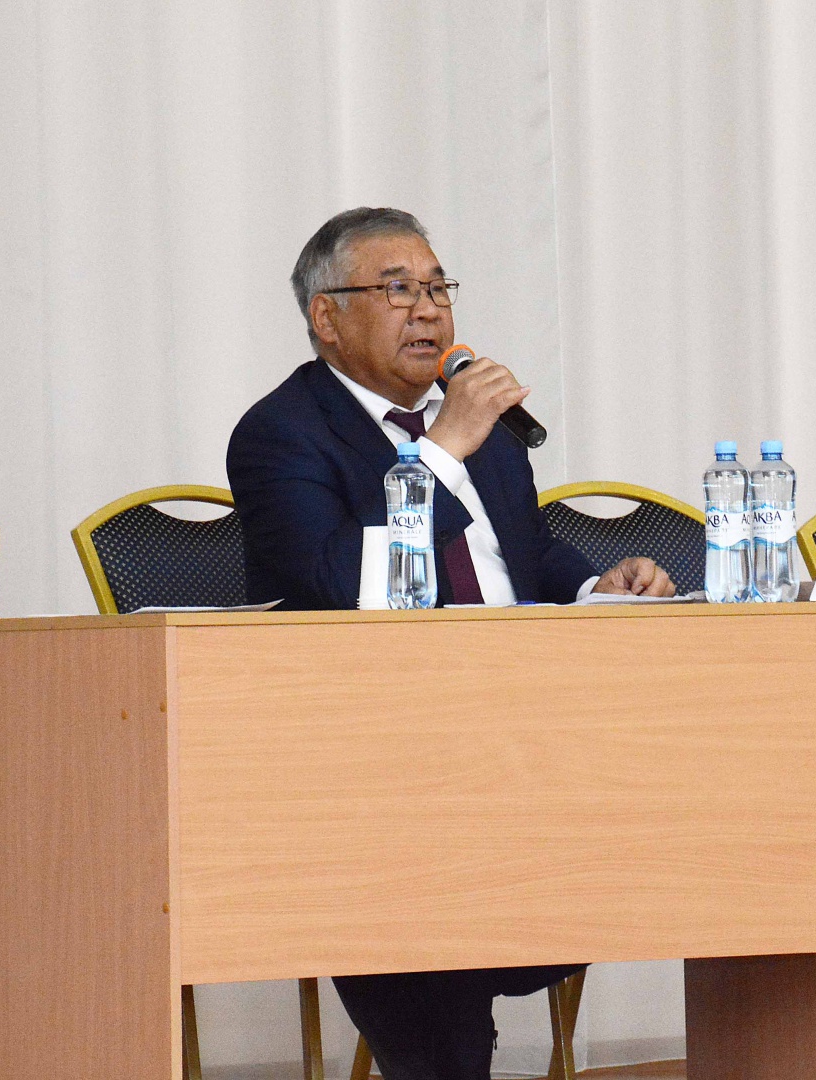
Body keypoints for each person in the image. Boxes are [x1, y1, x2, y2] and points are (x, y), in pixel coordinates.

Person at [226, 207, 676, 1080]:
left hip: (521, 728)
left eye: (438, 288)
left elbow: (522, 551)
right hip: (378, 749)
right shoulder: (283, 431)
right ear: (327, 317)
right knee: (423, 882)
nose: (429, 310)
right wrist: (440, 451)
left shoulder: (480, 432)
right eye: (398, 290)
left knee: (673, 808)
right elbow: (334, 583)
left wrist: (596, 586)